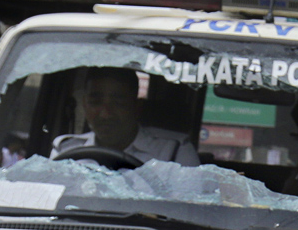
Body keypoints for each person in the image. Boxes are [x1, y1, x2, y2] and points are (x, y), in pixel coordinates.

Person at [52, 68, 200, 166]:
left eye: (119, 103)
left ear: (137, 107)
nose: (105, 114)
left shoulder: (174, 153)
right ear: (84, 104)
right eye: (95, 102)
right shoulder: (65, 150)